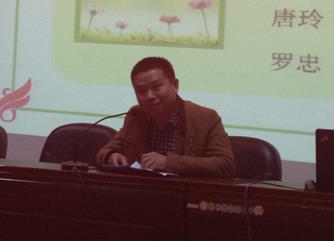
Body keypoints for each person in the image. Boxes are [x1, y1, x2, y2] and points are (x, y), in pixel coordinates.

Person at [96, 56, 235, 177]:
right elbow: (106, 151)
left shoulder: (205, 118)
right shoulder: (136, 115)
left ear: (175, 85)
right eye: (141, 91)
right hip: (142, 192)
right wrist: (111, 155)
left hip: (184, 194)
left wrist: (168, 162)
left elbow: (226, 165)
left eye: (156, 87)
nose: (149, 96)